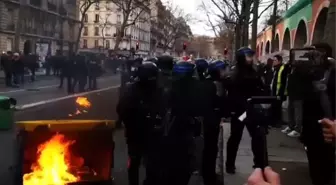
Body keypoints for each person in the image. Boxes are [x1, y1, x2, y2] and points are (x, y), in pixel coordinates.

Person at [117, 61, 167, 185]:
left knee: (135, 161)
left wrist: (128, 124)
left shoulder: (131, 89)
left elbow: (121, 109)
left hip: (136, 133)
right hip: (148, 133)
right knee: (150, 163)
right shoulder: (157, 90)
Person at [299, 43, 336, 185]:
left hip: (329, 123)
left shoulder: (332, 72)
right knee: (314, 158)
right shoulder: (306, 72)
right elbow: (297, 93)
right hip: (311, 123)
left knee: (326, 157)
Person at [225, 47, 266, 174]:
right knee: (236, 136)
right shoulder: (235, 73)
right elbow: (231, 94)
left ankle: (259, 163)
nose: (251, 59)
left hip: (250, 110)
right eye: (249, 56)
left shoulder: (253, 71)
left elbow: (260, 88)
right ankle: (230, 164)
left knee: (257, 136)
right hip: (241, 112)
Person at [201, 60, 228, 185]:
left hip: (208, 121)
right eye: (223, 70)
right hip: (211, 122)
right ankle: (209, 177)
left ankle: (206, 172)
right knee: (211, 149)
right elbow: (219, 103)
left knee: (208, 149)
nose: (225, 72)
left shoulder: (207, 82)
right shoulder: (216, 85)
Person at [271, 55, 289, 126]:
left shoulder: (282, 68)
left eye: (275, 60)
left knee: (277, 107)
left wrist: (280, 93)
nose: (273, 62)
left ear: (279, 61)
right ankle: (276, 121)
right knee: (276, 107)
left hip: (279, 92)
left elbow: (283, 82)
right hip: (275, 91)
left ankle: (277, 122)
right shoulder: (276, 68)